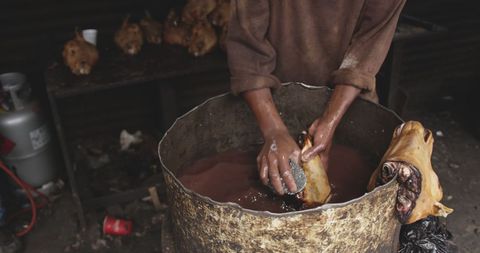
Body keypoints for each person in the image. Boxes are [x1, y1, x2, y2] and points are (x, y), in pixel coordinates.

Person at [226, 0, 406, 195]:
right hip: (269, 100)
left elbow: (366, 51)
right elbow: (248, 49)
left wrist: (330, 120)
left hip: (351, 103)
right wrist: (274, 130)